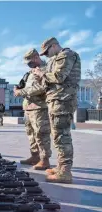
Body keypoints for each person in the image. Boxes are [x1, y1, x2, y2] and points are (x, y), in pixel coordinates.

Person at [32, 37, 81, 184]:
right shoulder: (57, 59)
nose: (46, 55)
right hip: (56, 101)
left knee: (62, 136)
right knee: (57, 135)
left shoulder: (66, 55)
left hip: (63, 100)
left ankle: (65, 172)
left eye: (46, 52)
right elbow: (50, 81)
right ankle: (61, 167)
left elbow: (59, 77)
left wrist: (42, 74)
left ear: (54, 46)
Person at [14, 48, 52, 170]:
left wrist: (20, 92)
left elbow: (40, 88)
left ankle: (45, 160)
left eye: (29, 62)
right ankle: (34, 156)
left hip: (39, 108)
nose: (28, 65)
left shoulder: (46, 69)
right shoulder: (31, 72)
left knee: (41, 134)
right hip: (29, 108)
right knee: (31, 135)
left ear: (36, 58)